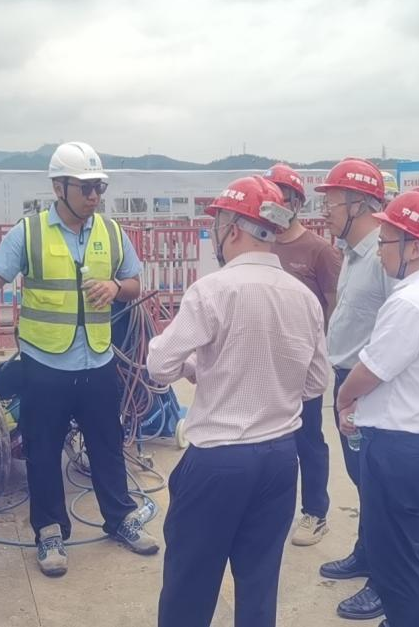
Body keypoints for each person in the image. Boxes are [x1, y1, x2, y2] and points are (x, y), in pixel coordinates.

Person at [0, 141, 159, 577]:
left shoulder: (111, 232)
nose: (94, 196)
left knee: (107, 444)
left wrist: (115, 288)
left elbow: (135, 283)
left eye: (99, 187)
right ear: (58, 187)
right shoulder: (29, 233)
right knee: (43, 450)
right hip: (45, 363)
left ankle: (120, 518)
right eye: (85, 187)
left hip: (97, 360)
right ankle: (49, 532)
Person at [147, 175, 331, 627]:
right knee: (259, 586)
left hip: (218, 460)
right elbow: (315, 382)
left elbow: (159, 366)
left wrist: (197, 367)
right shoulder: (303, 297)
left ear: (231, 230)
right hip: (280, 460)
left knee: (190, 586)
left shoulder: (213, 290)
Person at [334, 188, 419, 627]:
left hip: (397, 449)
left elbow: (372, 368)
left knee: (397, 563)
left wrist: (344, 397)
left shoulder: (410, 302)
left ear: (414, 248)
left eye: (386, 242)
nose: (379, 252)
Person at [312, 158, 396, 620]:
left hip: (370, 386)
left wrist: (359, 387)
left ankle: (384, 581)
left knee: (379, 487)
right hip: (346, 379)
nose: (325, 211)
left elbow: (395, 332)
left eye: (332, 202)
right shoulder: (351, 253)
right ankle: (367, 553)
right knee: (362, 481)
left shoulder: (385, 257)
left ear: (359, 204)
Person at [263, 163, 343, 547]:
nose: (275, 207)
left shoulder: (319, 251)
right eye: (269, 200)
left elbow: (334, 306)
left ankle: (315, 512)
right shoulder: (261, 244)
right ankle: (270, 509)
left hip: (304, 364)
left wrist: (318, 350)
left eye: (282, 199)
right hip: (264, 361)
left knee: (307, 440)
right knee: (267, 441)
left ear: (297, 202)